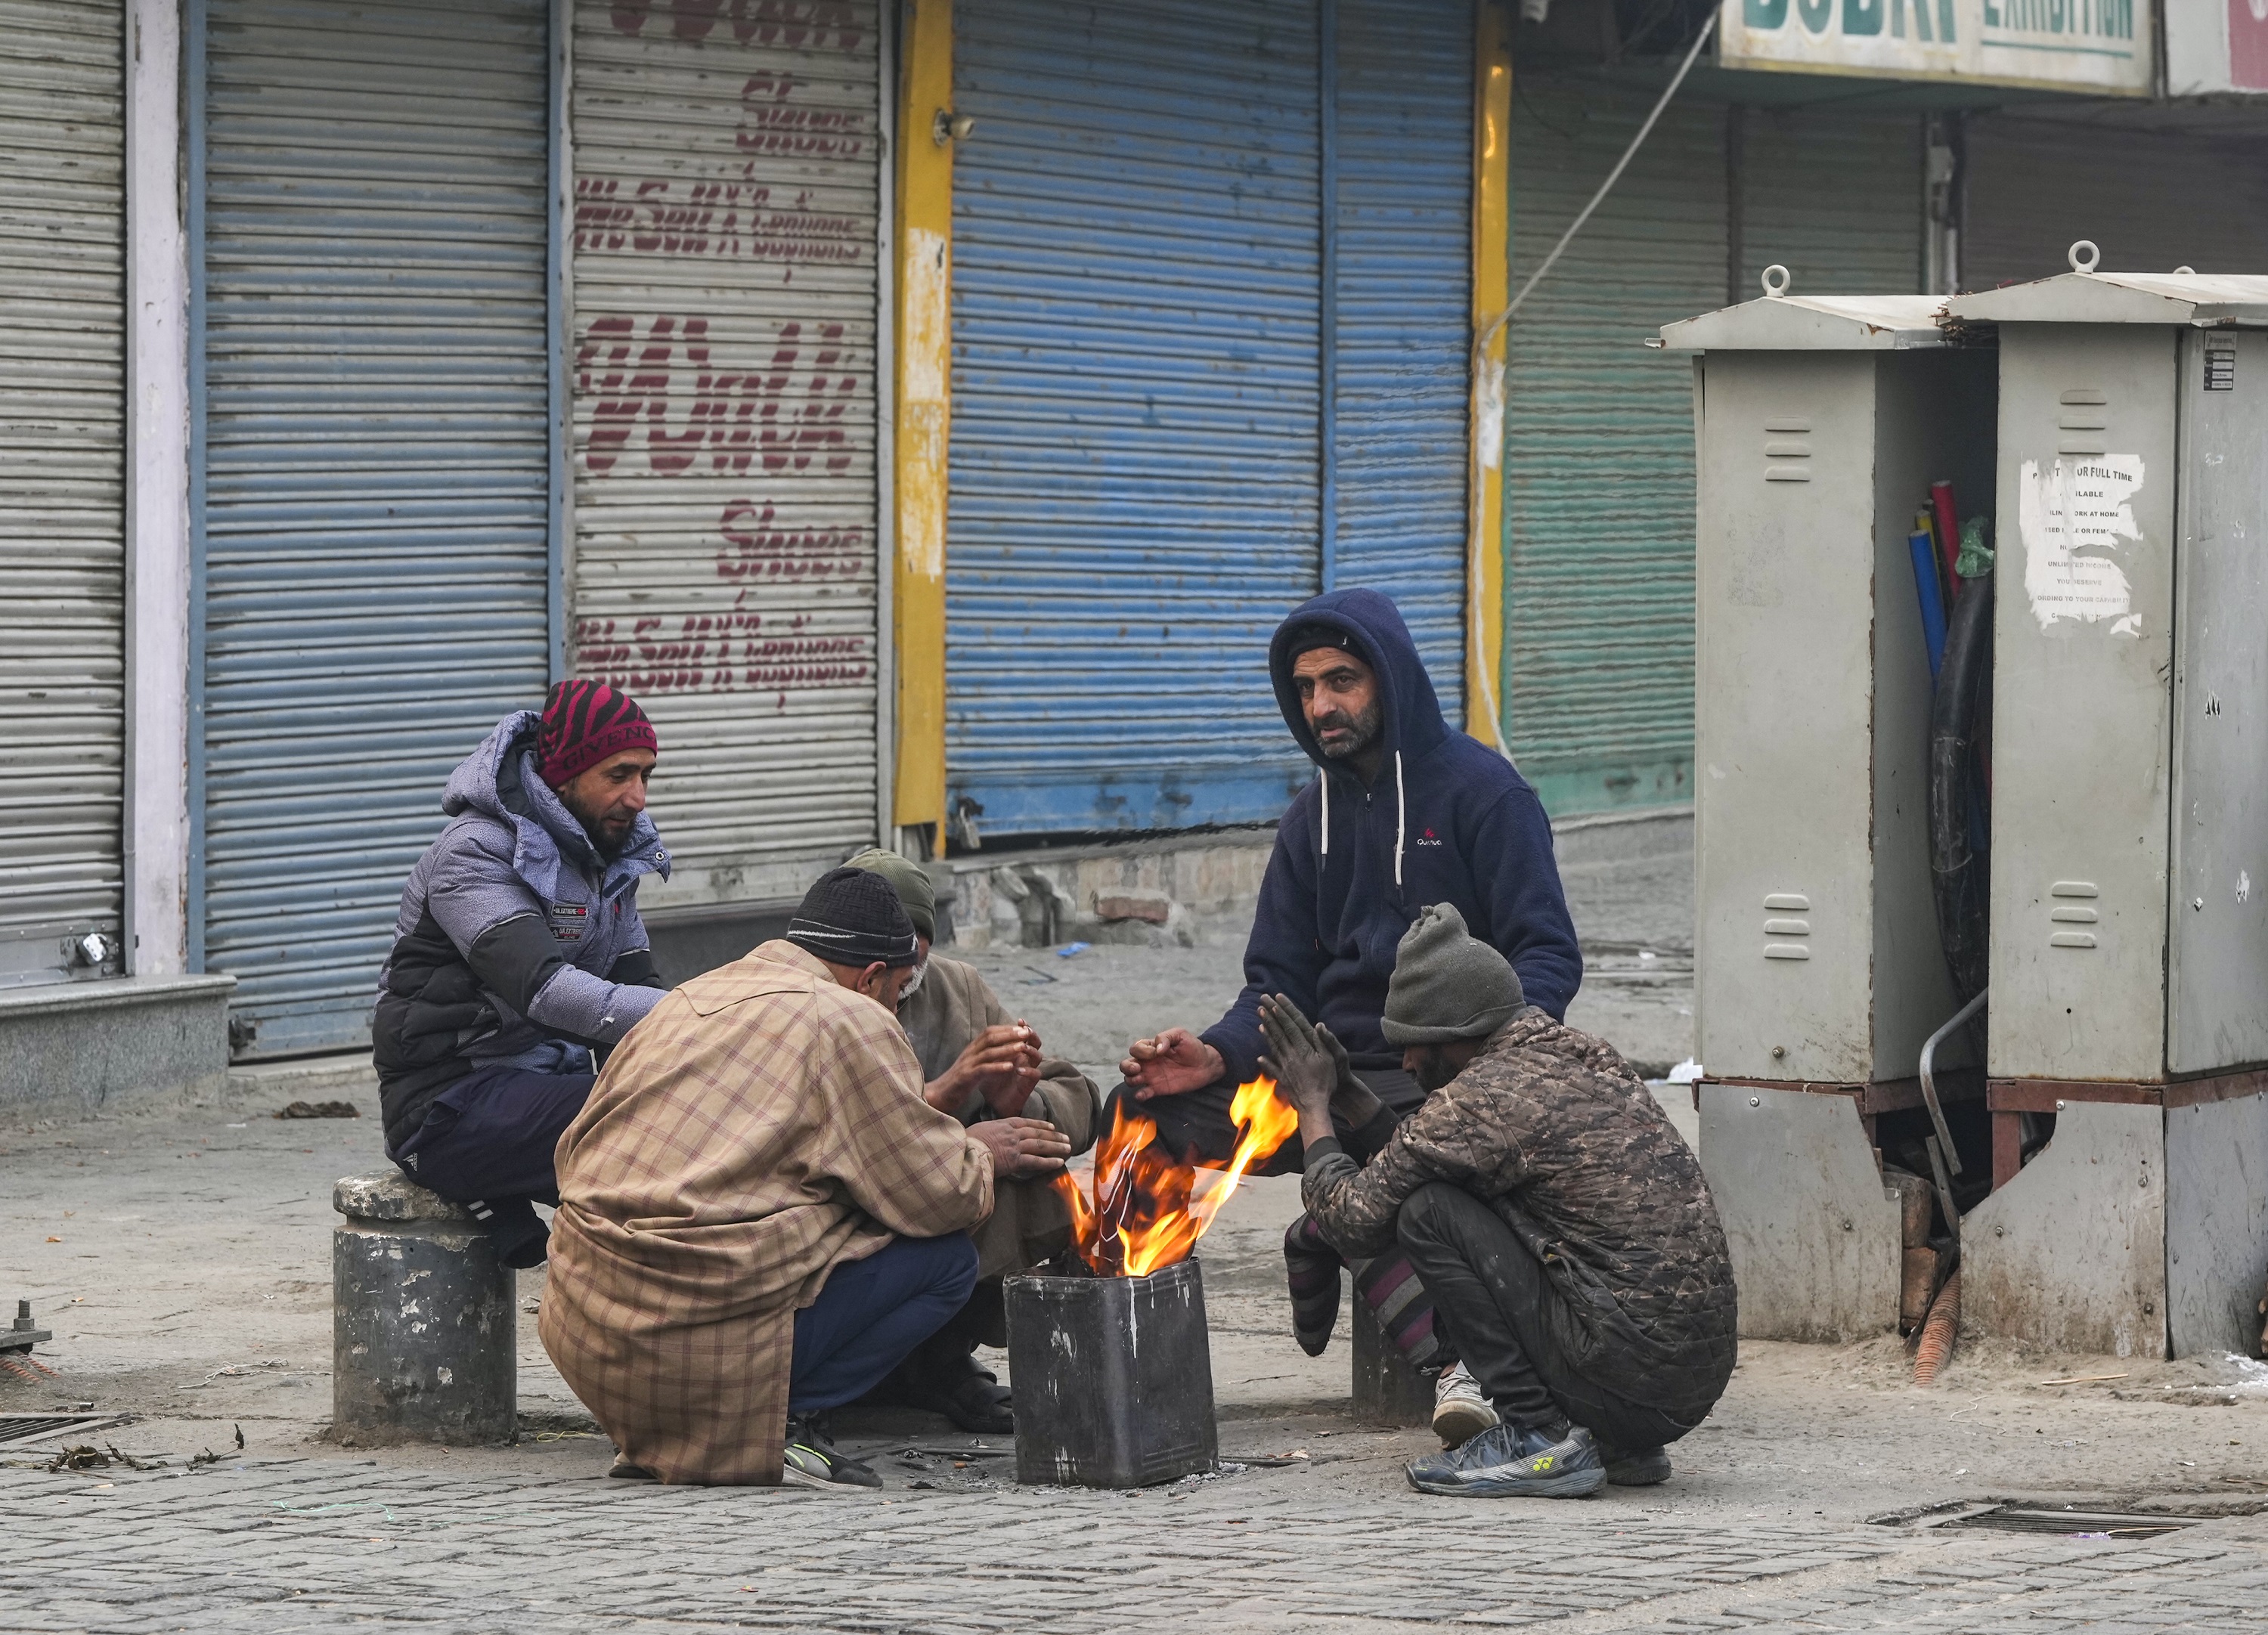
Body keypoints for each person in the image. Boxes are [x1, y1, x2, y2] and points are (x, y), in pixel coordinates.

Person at [1111, 587, 1583, 1423]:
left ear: (1390, 679)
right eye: (1305, 689)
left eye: (1342, 681)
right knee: (1143, 1113)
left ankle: (1459, 1366)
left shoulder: (1485, 796)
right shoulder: (1308, 821)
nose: (1322, 705)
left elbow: (1546, 954)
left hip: (1438, 1079)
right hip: (1314, 1080)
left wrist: (1490, 1071)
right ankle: (1133, 1364)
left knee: (1410, 1172)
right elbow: (1275, 982)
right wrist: (1217, 1055)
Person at [538, 866, 1073, 1487]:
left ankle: (698, 1416)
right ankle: (785, 1422)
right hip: (685, 1345)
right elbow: (940, 1194)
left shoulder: (690, 997)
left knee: (827, 1211)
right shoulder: (850, 1017)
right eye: (898, 991)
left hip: (586, 1334)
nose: (896, 1007)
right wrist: (982, 1152)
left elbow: (571, 1152)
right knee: (944, 1258)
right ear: (871, 977)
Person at [1256, 903, 1737, 1499]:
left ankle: (1537, 1434)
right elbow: (1434, 1154)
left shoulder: (1482, 1097)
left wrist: (1313, 1106)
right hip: (1681, 1388)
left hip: (1625, 1372)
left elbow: (1353, 1218)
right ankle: (1616, 1442)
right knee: (1449, 1193)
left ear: (1452, 1034)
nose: (1403, 1063)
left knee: (1426, 1211)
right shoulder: (1583, 1056)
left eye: (1410, 1044)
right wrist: (1355, 1100)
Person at [373, 680, 670, 1268]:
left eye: (646, 775)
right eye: (619, 775)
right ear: (562, 773)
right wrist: (706, 1013)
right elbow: (547, 991)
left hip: (534, 1083)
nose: (638, 797)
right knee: (653, 1126)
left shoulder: (608, 853)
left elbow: (638, 988)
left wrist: (693, 1052)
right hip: (443, 1106)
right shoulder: (476, 851)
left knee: (689, 1111)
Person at [841, 848, 1100, 1433]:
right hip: (854, 1209)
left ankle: (939, 1359)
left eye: (916, 941)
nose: (906, 962)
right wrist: (956, 1104)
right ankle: (860, 1367)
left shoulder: (960, 989)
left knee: (1045, 1185)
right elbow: (850, 1140)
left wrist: (1018, 1103)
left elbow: (1077, 1102)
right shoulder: (822, 1000)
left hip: (944, 1200)